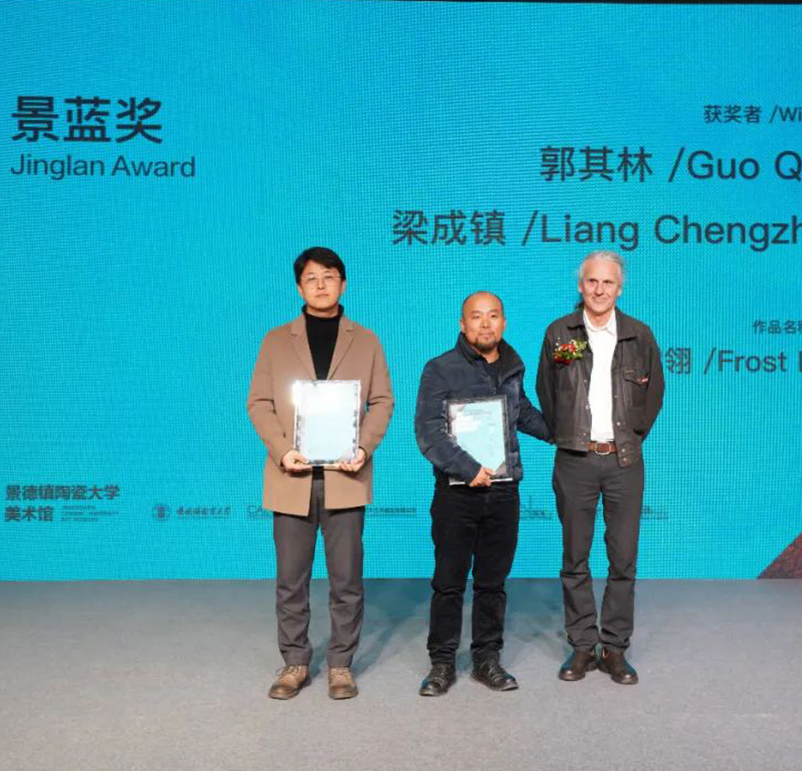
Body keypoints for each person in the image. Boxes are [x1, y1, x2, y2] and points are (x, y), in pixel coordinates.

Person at [247, 247, 394, 701]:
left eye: (329, 276)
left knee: (346, 579)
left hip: (345, 477)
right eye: (311, 278)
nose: (321, 285)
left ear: (343, 284)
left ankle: (340, 665)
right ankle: (295, 662)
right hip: (290, 477)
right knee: (291, 580)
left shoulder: (365, 340)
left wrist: (363, 448)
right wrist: (283, 450)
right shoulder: (276, 340)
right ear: (299, 287)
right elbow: (258, 403)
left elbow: (382, 402)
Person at [535, 251, 664, 685]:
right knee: (575, 558)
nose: (599, 289)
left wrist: (629, 437)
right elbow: (547, 393)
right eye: (592, 281)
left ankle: (615, 648)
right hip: (575, 460)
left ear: (619, 289)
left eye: (608, 282)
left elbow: (653, 396)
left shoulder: (639, 335)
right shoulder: (559, 333)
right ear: (581, 285)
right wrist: (570, 436)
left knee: (623, 559)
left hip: (624, 461)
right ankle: (581, 646)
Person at [413, 291, 551, 696]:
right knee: (449, 581)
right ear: (463, 324)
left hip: (504, 491)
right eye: (476, 317)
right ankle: (442, 663)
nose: (485, 324)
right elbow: (428, 431)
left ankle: (487, 659)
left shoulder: (513, 364)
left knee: (493, 582)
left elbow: (521, 412)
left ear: (504, 323)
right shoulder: (439, 369)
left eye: (493, 316)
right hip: (457, 492)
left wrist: (565, 433)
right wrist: (467, 468)